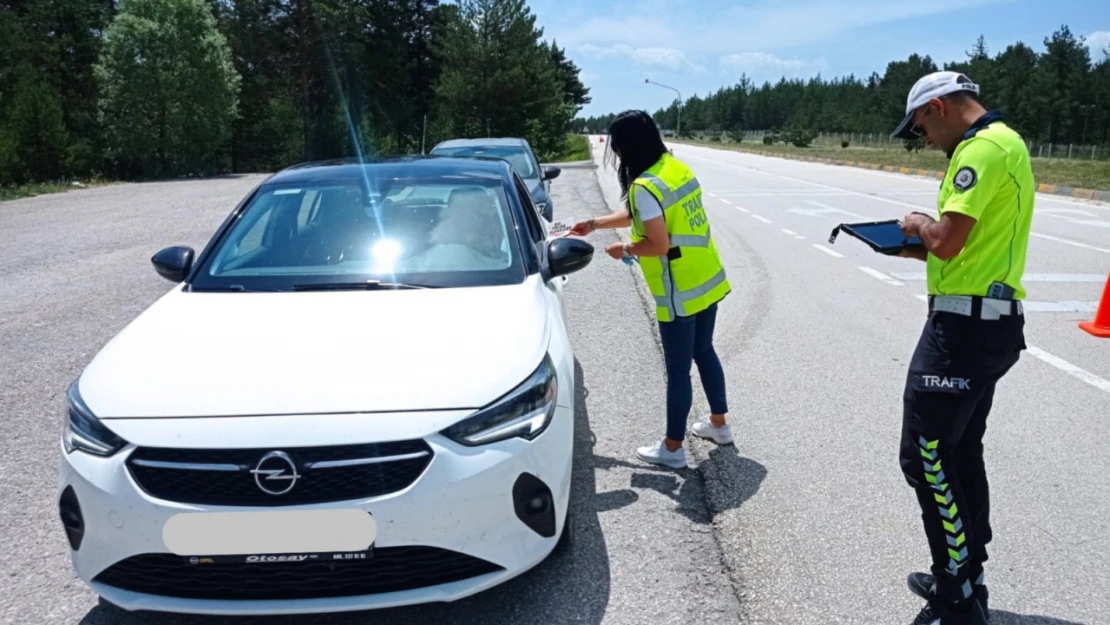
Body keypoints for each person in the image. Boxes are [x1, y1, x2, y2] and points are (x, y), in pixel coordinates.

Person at [890, 71, 1033, 625]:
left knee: (925, 457)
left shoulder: (983, 148)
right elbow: (966, 252)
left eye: (921, 122)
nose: (921, 137)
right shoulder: (1004, 144)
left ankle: (958, 591)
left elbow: (946, 240)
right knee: (959, 450)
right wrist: (909, 246)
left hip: (964, 334)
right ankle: (967, 569)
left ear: (941, 106)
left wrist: (922, 224)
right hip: (984, 323)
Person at [569, 110, 733, 469]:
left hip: (679, 289)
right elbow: (639, 216)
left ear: (628, 147)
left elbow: (656, 242)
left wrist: (623, 249)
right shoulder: (672, 168)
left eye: (617, 147)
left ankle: (673, 448)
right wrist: (594, 224)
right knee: (704, 352)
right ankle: (720, 426)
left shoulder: (645, 186)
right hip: (706, 277)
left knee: (678, 370)